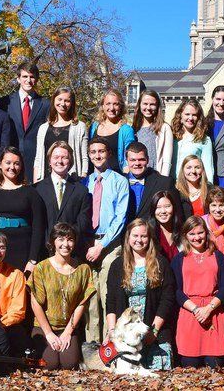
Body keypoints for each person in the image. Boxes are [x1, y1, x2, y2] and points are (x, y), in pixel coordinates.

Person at [105, 218, 176, 370]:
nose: (139, 240)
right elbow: (111, 301)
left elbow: (167, 299)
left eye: (143, 236)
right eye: (135, 236)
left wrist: (154, 331)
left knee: (157, 375)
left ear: (149, 238)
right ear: (128, 238)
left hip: (155, 330)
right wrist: (112, 332)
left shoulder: (161, 263)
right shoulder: (117, 265)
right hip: (125, 335)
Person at [28, 223, 95, 369]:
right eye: (60, 239)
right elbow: (35, 303)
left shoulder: (83, 269)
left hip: (68, 327)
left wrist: (68, 332)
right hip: (44, 326)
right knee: (49, 364)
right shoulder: (41, 268)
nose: (66, 244)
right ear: (53, 241)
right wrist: (49, 333)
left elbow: (81, 304)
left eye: (70, 239)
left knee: (69, 363)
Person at [0, 147, 46, 272]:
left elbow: (38, 228)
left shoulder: (31, 193)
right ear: (0, 164)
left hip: (21, 250)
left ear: (21, 166)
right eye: (8, 162)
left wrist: (33, 260)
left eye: (17, 163)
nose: (12, 167)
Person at [83, 138, 129, 342]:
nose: (97, 155)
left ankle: (108, 344)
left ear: (109, 153)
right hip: (87, 243)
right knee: (91, 298)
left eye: (101, 151)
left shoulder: (120, 181)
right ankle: (91, 345)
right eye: (93, 152)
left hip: (110, 245)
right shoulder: (85, 182)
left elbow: (120, 217)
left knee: (108, 296)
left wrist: (101, 245)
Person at [173, 216, 224, 367]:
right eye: (192, 234)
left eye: (200, 233)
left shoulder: (218, 256)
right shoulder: (179, 259)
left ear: (206, 233)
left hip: (214, 312)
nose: (197, 237)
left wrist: (209, 308)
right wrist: (196, 309)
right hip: (190, 313)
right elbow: (176, 290)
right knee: (189, 365)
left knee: (215, 365)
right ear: (185, 236)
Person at [33, 142, 92, 258]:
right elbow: (36, 222)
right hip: (44, 252)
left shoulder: (81, 191)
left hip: (70, 251)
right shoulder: (37, 189)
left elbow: (83, 222)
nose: (59, 161)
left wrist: (64, 240)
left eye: (64, 157)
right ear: (49, 160)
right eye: (55, 157)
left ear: (70, 161)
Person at [0, 61, 50, 183]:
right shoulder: (5, 102)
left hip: (35, 160)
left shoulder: (45, 104)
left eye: (32, 77)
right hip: (11, 159)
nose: (28, 80)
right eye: (25, 77)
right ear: (18, 79)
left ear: (36, 79)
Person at [31, 87, 88, 181]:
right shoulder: (43, 128)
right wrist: (36, 182)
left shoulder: (79, 127)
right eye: (59, 99)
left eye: (67, 101)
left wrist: (83, 179)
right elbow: (38, 158)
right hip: (46, 180)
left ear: (72, 103)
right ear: (53, 100)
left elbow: (84, 157)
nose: (62, 104)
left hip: (71, 180)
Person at [89, 88, 136, 173]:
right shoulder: (94, 127)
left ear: (121, 107)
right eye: (108, 104)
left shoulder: (126, 130)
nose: (112, 108)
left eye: (115, 104)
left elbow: (129, 156)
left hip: (118, 177)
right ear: (103, 106)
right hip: (96, 177)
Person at [125, 142, 175, 221]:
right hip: (125, 232)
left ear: (147, 160)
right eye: (133, 160)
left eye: (141, 159)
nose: (137, 163)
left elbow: (176, 215)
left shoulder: (164, 183)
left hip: (153, 231)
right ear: (126, 161)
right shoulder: (119, 183)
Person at [171, 98, 215, 183]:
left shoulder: (204, 140)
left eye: (194, 115)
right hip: (172, 185)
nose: (190, 118)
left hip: (193, 185)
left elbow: (208, 168)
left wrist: (208, 189)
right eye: (187, 114)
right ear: (180, 115)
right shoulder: (172, 137)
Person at [132, 89, 174, 177]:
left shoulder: (164, 128)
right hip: (137, 177)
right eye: (145, 104)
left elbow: (167, 160)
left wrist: (162, 180)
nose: (148, 108)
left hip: (155, 176)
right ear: (139, 105)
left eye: (152, 104)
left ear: (157, 106)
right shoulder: (134, 129)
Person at [146, 189, 185, 261]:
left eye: (167, 206)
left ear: (173, 208)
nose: (163, 211)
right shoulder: (148, 233)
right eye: (158, 207)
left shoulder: (183, 231)